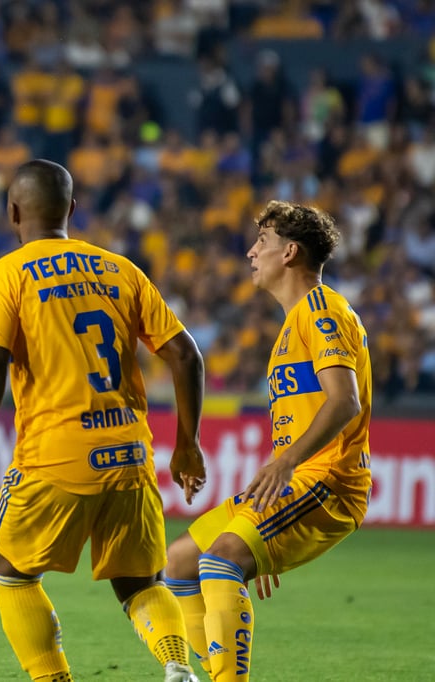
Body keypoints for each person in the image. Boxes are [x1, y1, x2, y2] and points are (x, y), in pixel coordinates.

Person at [0, 160, 207, 682]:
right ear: (71, 210)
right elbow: (186, 356)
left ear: (13, 211)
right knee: (141, 581)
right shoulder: (119, 269)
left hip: (54, 457)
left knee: (7, 570)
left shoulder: (7, 274)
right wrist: (188, 444)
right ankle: (177, 665)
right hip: (130, 456)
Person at [163, 200, 372, 681]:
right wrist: (264, 535)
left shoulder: (321, 310)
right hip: (296, 486)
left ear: (291, 253)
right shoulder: (293, 323)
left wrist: (285, 466)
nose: (251, 252)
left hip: (329, 482)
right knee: (180, 563)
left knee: (220, 560)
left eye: (263, 242)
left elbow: (345, 401)